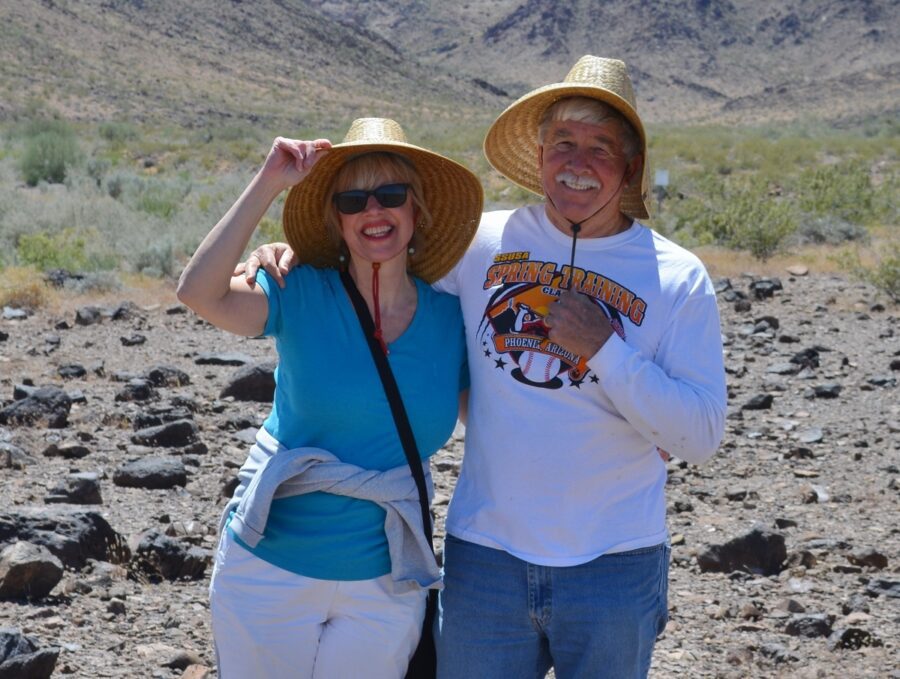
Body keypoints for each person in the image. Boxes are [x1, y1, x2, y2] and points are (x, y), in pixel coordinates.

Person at [239, 55, 727, 678]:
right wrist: (289, 254)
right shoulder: (481, 245)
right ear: (542, 153)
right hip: (486, 558)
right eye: (563, 143)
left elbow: (702, 435)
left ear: (630, 166)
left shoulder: (677, 277)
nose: (577, 164)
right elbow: (373, 260)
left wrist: (605, 349)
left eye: (600, 148)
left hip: (616, 563)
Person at [177, 117, 482, 678]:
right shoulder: (298, 289)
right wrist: (269, 182)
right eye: (352, 200)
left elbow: (506, 416)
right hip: (270, 570)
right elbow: (198, 292)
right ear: (335, 220)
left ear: (417, 213)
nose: (374, 211)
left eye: (391, 195)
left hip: (387, 582)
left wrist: (623, 431)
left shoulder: (450, 321)